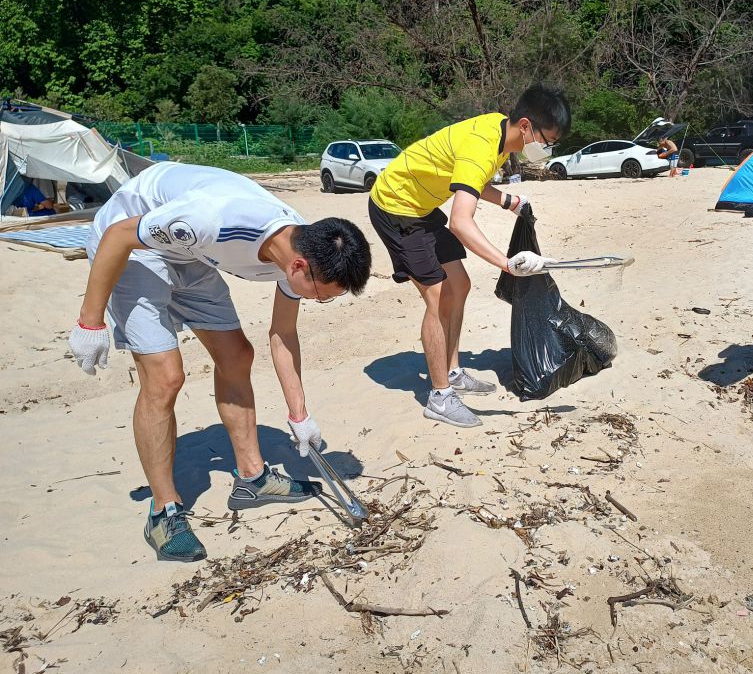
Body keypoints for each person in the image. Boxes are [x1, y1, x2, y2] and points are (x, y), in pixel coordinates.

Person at [68, 162, 372, 562]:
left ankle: (252, 478)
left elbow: (283, 333)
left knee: (237, 355)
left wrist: (299, 415)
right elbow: (117, 236)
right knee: (166, 376)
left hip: (191, 254)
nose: (321, 301)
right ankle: (164, 512)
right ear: (300, 267)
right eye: (323, 294)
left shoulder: (301, 248)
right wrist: (90, 322)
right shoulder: (210, 221)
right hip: (132, 243)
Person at [368, 85, 570, 429]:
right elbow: (461, 222)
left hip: (421, 207)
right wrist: (506, 264)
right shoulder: (482, 147)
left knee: (459, 285)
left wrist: (509, 201)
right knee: (437, 295)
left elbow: (469, 182)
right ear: (525, 126)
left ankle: (453, 370)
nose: (546, 148)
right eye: (546, 140)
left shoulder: (499, 134)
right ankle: (440, 397)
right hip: (395, 207)